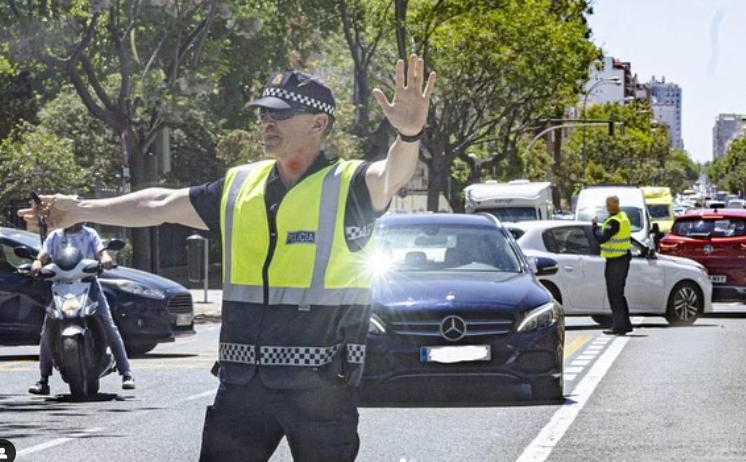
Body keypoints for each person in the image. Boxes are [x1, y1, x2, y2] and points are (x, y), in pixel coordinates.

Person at [19, 54, 435, 461]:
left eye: (280, 113)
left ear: (318, 123)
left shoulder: (350, 184)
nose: (267, 122)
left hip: (320, 389)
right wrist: (80, 210)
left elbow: (393, 174)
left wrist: (409, 135)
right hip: (241, 389)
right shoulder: (240, 185)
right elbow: (160, 203)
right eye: (262, 114)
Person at [28, 222, 135, 395]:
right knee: (47, 329)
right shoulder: (55, 236)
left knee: (109, 326)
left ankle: (126, 373)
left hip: (88, 285)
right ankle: (43, 380)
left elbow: (101, 252)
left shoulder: (90, 234)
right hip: (61, 287)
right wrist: (37, 263)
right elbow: (43, 254)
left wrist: (105, 259)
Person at [591, 195, 633, 335]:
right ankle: (625, 324)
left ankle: (618, 326)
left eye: (608, 204)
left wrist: (595, 227)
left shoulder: (614, 221)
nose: (607, 207)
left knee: (614, 294)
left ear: (614, 205)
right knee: (619, 294)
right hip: (622, 259)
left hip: (616, 261)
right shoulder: (623, 217)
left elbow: (602, 238)